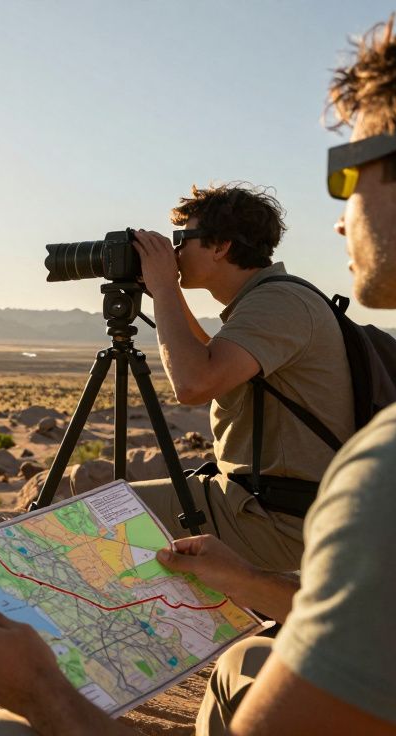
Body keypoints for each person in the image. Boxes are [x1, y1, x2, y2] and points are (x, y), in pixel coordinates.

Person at [0, 1, 396, 733]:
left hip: (271, 511)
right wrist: (250, 583)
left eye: (347, 171)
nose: (340, 215)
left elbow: (194, 380)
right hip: (264, 523)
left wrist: (43, 695)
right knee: (242, 666)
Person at [127, 184, 355, 572]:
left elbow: (194, 383)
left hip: (279, 520)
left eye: (181, 240)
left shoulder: (279, 303)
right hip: (271, 504)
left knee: (103, 513)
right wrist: (161, 290)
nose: (175, 252)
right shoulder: (270, 300)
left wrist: (165, 285)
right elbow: (210, 357)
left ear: (221, 246)